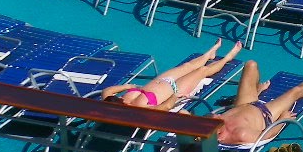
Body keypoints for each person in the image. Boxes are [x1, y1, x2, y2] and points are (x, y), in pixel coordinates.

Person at [213, 56, 303, 147]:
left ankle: (256, 91)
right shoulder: (241, 134)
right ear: (219, 135)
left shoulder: (211, 122)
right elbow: (267, 136)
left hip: (242, 104)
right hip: (264, 112)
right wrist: (282, 119)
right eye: (217, 118)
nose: (216, 115)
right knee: (295, 91)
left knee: (251, 65)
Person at [102, 40, 243, 111]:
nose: (122, 99)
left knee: (187, 66)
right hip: (175, 88)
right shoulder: (139, 109)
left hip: (161, 80)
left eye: (120, 98)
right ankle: (228, 58)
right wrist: (176, 96)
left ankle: (209, 54)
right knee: (202, 71)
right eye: (122, 101)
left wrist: (129, 86)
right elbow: (165, 107)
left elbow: (107, 91)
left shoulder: (112, 101)